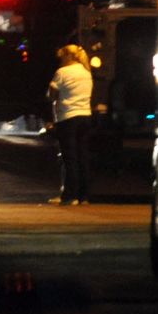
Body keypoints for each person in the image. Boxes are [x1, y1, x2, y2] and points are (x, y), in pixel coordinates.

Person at [46, 44, 93, 206]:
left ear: (67, 56)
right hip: (85, 116)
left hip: (67, 118)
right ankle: (84, 196)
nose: (60, 60)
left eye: (61, 57)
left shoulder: (62, 72)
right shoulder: (87, 73)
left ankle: (68, 196)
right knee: (83, 157)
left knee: (69, 158)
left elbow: (51, 95)